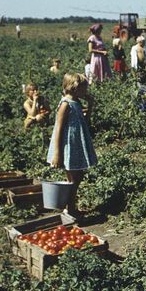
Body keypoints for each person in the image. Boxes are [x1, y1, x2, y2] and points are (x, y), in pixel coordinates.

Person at [46, 73, 97, 217]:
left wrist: (91, 106)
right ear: (74, 88)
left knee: (77, 177)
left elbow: (85, 121)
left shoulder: (77, 102)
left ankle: (70, 207)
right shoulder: (65, 104)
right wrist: (57, 153)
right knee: (73, 179)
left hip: (76, 145)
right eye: (83, 89)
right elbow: (58, 129)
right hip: (67, 146)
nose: (85, 92)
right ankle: (70, 209)